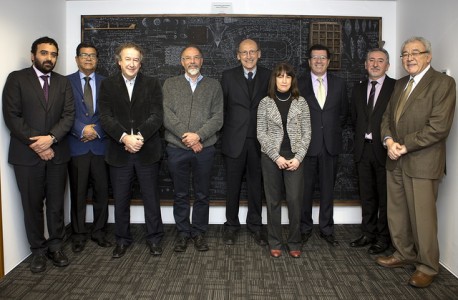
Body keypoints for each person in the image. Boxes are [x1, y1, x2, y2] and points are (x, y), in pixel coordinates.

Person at [377, 36, 456, 288]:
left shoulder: (443, 83)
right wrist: (389, 141)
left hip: (422, 161)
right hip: (395, 159)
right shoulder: (400, 84)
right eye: (404, 54)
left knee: (423, 218)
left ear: (428, 56)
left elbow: (438, 127)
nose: (409, 58)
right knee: (397, 213)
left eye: (415, 52)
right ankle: (403, 254)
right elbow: (387, 118)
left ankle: (427, 266)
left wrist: (405, 145)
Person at [2, 36, 75, 273]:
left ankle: (56, 246)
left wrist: (51, 139)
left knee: (55, 205)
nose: (49, 58)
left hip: (58, 152)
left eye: (53, 54)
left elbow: (68, 116)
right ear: (33, 55)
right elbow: (12, 116)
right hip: (27, 156)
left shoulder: (63, 83)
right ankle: (38, 251)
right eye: (44, 53)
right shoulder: (16, 79)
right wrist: (38, 143)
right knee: (32, 205)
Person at [99, 42, 164, 258]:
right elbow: (105, 117)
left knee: (151, 199)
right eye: (128, 59)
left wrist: (139, 137)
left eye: (136, 59)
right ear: (119, 61)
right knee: (120, 199)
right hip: (120, 152)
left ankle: (154, 239)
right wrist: (125, 138)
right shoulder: (108, 85)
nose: (132, 63)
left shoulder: (152, 83)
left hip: (147, 151)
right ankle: (122, 240)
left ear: (140, 62)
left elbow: (157, 116)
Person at [163, 45, 223, 252]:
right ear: (181, 62)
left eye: (196, 57)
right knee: (180, 194)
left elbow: (218, 117)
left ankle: (198, 232)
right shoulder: (170, 85)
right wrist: (188, 138)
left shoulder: (214, 86)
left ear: (202, 60)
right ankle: (182, 233)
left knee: (202, 194)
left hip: (204, 149)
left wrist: (199, 136)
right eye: (188, 58)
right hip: (177, 148)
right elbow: (166, 115)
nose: (192, 61)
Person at [257, 62, 311, 258]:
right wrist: (276, 156)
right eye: (280, 76)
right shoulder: (265, 102)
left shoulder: (301, 102)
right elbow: (261, 133)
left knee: (295, 200)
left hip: (296, 158)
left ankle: (295, 241)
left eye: (287, 77)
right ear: (274, 80)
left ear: (292, 80)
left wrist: (298, 158)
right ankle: (275, 241)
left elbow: (307, 132)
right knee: (273, 201)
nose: (284, 80)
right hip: (271, 158)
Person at [221, 38, 270, 246]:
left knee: (256, 187)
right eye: (244, 52)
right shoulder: (227, 76)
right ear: (237, 55)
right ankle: (231, 226)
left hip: (260, 142)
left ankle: (255, 226)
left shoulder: (270, 76)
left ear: (259, 53)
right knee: (232, 187)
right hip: (234, 141)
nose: (248, 56)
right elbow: (222, 109)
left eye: (252, 52)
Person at [298, 44, 348, 246]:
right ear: (309, 61)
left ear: (328, 61)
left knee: (328, 191)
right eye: (314, 57)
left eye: (322, 57)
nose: (318, 61)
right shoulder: (298, 83)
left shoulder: (339, 84)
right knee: (305, 191)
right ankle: (304, 228)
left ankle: (327, 229)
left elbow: (343, 114)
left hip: (330, 145)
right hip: (306, 147)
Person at [349, 48, 395, 254]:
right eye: (371, 60)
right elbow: (354, 118)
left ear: (387, 65)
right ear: (365, 64)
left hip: (385, 150)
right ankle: (367, 233)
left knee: (385, 198)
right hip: (362, 149)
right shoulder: (358, 89)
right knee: (366, 195)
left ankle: (383, 238)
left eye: (380, 61)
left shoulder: (396, 87)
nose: (375, 64)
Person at [67, 42, 111, 253]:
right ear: (77, 59)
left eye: (92, 55)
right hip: (77, 146)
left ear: (97, 60)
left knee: (102, 192)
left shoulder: (107, 83)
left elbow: (111, 113)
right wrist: (82, 130)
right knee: (78, 192)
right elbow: (63, 112)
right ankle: (78, 234)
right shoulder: (65, 83)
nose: (88, 59)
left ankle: (100, 232)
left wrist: (97, 130)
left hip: (101, 146)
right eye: (84, 55)